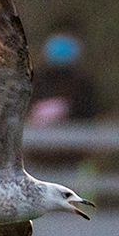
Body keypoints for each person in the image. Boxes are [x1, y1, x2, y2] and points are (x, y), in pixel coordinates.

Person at [27, 17, 102, 170]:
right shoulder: (34, 81)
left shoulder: (84, 85)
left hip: (74, 163)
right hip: (36, 161)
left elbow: (92, 120)